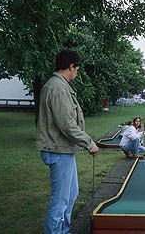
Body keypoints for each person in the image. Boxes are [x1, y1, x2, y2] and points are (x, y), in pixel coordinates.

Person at [35, 49, 99, 234]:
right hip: (58, 151)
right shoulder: (57, 88)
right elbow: (67, 124)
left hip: (63, 151)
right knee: (61, 199)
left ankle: (63, 230)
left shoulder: (60, 86)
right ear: (71, 66)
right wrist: (89, 143)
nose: (76, 73)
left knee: (71, 194)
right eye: (76, 69)